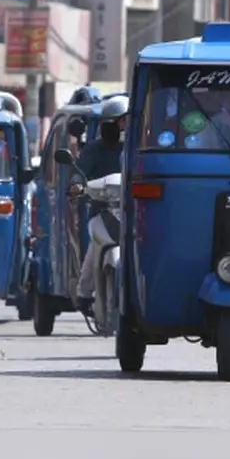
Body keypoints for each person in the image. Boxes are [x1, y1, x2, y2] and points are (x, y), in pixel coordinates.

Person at [70, 95, 128, 316]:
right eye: (120, 121)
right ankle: (85, 294)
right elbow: (79, 170)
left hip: (134, 210)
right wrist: (76, 184)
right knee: (97, 246)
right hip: (102, 210)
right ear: (109, 124)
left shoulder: (139, 147)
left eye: (128, 121)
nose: (124, 126)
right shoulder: (95, 149)